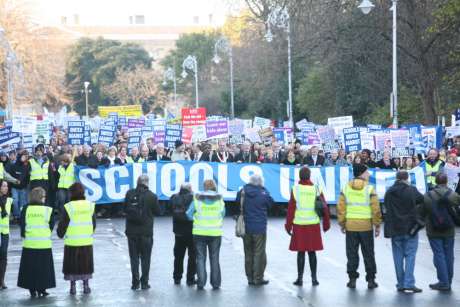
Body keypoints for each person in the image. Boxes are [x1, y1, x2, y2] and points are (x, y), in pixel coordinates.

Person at [338, 164, 382, 289]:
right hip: (366, 226)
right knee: (368, 253)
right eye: (367, 172)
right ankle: (371, 280)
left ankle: (352, 279)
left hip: (351, 226)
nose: (368, 174)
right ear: (361, 173)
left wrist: (342, 223)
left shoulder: (346, 188)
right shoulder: (369, 188)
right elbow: (376, 209)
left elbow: (341, 208)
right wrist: (377, 225)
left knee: (352, 253)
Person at [285, 167, 330, 287]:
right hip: (313, 224)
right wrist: (326, 224)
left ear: (299, 176)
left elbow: (291, 210)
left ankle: (299, 279)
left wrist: (288, 226)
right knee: (312, 252)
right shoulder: (316, 189)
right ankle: (314, 278)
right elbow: (324, 207)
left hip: (299, 224)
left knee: (300, 253)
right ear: (309, 176)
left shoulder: (295, 189)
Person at [383, 171, 425, 293]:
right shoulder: (411, 190)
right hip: (410, 227)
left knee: (397, 256)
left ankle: (401, 283)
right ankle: (409, 283)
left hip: (395, 228)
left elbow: (386, 205)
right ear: (407, 179)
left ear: (396, 178)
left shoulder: (390, 191)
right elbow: (421, 200)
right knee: (410, 255)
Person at [419, 173, 460, 291]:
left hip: (433, 229)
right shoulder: (453, 195)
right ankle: (448, 280)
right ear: (447, 181)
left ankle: (443, 281)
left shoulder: (428, 195)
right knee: (449, 255)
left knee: (439, 254)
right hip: (449, 229)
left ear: (436, 181)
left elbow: (421, 211)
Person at [57, 183, 96, 295]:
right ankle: (86, 285)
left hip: (72, 242)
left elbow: (63, 224)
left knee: (72, 267)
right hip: (86, 241)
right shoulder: (90, 205)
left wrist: (60, 234)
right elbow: (93, 224)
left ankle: (73, 287)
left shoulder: (69, 207)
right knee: (85, 266)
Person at [186, 179, 225, 290]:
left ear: (204, 187)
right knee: (214, 258)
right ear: (214, 187)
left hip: (199, 232)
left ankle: (201, 282)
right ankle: (216, 283)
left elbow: (188, 214)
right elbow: (223, 213)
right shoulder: (219, 198)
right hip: (215, 232)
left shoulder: (197, 198)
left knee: (200, 258)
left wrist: (195, 219)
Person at [17, 187, 56, 298]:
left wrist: (25, 234)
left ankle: (32, 289)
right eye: (44, 196)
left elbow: (22, 223)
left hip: (29, 243)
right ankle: (42, 289)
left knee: (30, 268)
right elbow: (51, 224)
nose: (45, 198)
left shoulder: (25, 208)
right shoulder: (48, 209)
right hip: (44, 244)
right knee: (44, 269)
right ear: (40, 197)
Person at [124, 175, 160, 290]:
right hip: (146, 232)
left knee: (134, 258)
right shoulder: (152, 196)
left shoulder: (129, 194)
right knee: (146, 258)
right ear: (147, 183)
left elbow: (125, 209)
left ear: (137, 182)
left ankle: (135, 283)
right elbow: (158, 212)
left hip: (132, 231)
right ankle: (144, 282)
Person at [236, 174, 273, 286]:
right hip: (259, 227)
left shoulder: (242, 191)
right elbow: (271, 204)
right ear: (261, 182)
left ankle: (250, 278)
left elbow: (236, 204)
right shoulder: (263, 192)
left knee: (248, 253)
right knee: (259, 253)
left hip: (245, 226)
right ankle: (258, 278)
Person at [169, 183, 196, 285]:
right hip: (191, 230)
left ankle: (177, 277)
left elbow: (168, 208)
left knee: (178, 256)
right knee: (192, 256)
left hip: (178, 231)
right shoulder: (194, 198)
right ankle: (190, 278)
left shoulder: (174, 197)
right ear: (190, 189)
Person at [10, 151, 30, 222]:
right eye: (23, 156)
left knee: (22, 203)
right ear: (20, 156)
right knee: (15, 201)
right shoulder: (13, 165)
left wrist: (25, 184)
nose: (25, 158)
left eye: (26, 156)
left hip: (23, 188)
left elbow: (27, 177)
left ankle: (22, 216)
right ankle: (16, 216)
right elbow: (10, 176)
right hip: (14, 187)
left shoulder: (27, 166)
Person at [0, 180, 13, 290]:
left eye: (7, 186)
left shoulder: (9, 200)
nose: (6, 188)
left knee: (3, 256)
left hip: (4, 233)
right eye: (4, 186)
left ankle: (2, 280)